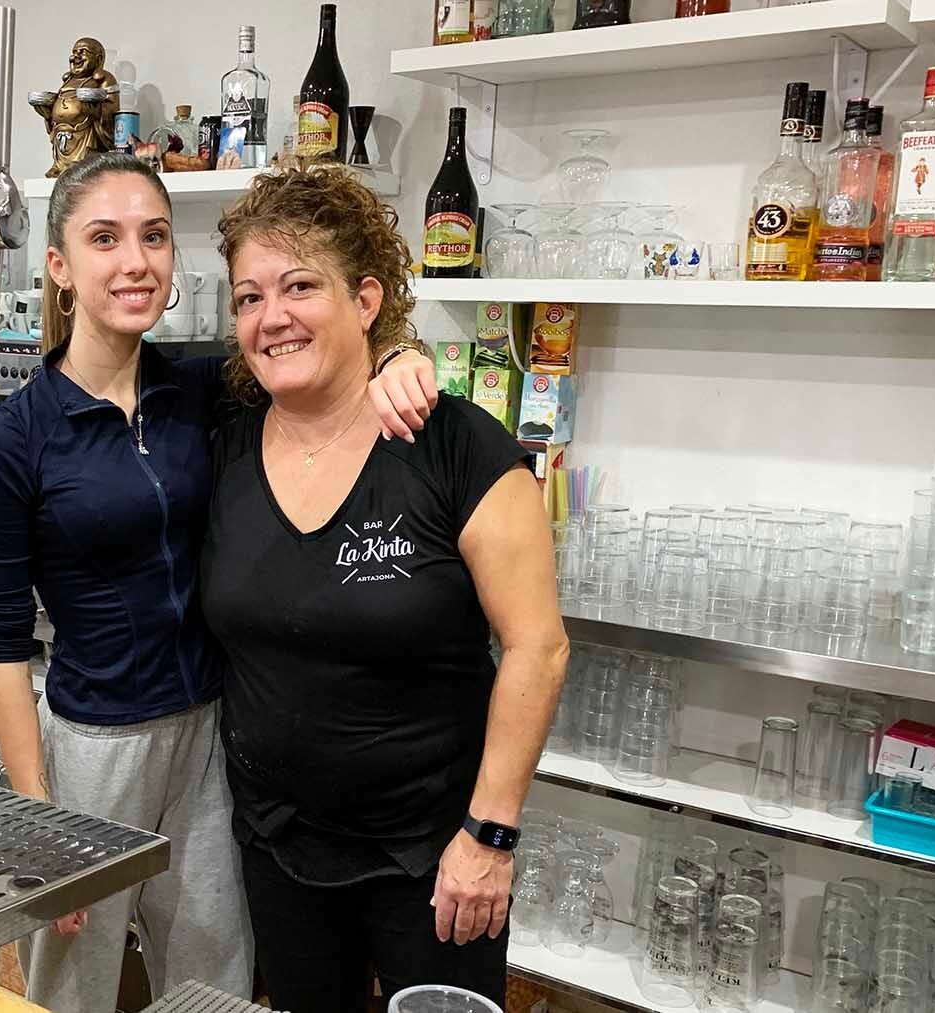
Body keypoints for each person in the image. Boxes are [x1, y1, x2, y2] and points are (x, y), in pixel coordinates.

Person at [0, 153, 435, 1012]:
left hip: (213, 737)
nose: (134, 261)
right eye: (104, 239)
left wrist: (400, 349)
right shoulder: (15, 440)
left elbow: (309, 341)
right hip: (94, 748)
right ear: (61, 268)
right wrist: (37, 819)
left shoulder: (198, 387)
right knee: (68, 984)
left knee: (212, 972)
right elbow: (1, 648)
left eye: (152, 236)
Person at [199, 167, 569, 1013]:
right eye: (249, 297)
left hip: (436, 860)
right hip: (277, 848)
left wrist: (490, 835)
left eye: (301, 286)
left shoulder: (454, 447)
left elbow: (539, 647)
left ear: (366, 299)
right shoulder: (224, 447)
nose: (272, 316)